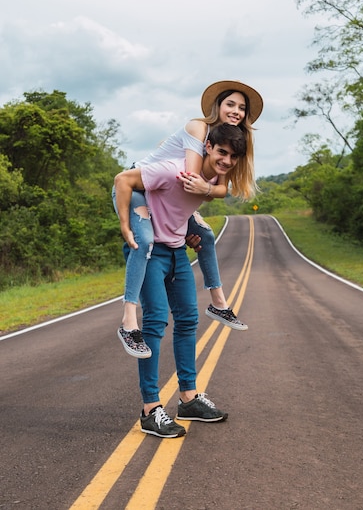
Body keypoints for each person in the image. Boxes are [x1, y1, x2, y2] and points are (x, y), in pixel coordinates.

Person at [113, 123, 247, 437]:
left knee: (187, 320)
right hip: (151, 254)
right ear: (208, 146)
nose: (226, 160)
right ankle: (150, 409)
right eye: (221, 152)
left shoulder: (212, 178)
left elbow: (207, 196)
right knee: (156, 322)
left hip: (177, 253)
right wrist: (125, 224)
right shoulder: (173, 169)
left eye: (232, 157)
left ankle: (188, 399)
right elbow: (122, 180)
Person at [114, 80, 263, 358]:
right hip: (139, 186)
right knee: (144, 240)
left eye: (242, 108)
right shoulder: (200, 129)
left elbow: (217, 189)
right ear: (217, 106)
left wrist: (202, 199)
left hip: (166, 193)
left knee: (205, 235)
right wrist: (125, 224)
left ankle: (218, 303)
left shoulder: (227, 145)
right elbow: (192, 184)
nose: (236, 111)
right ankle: (128, 322)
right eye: (230, 104)